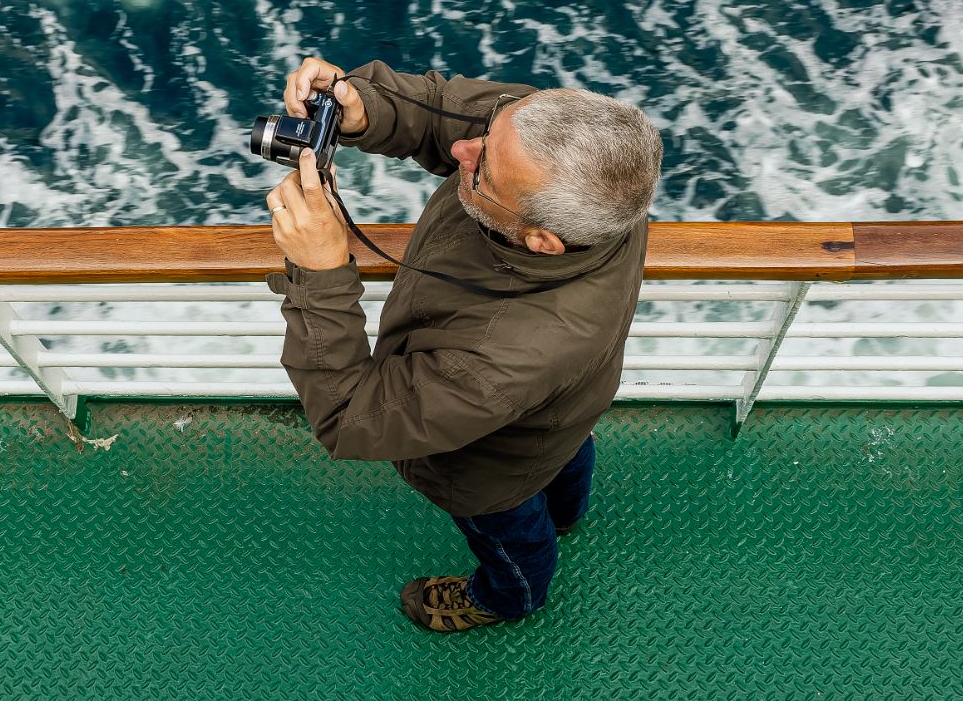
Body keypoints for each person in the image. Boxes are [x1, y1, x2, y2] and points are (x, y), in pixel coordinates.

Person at [262, 57, 663, 633]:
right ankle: (569, 517)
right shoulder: (574, 158)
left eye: (482, 174)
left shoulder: (504, 357)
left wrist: (321, 269)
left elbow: (355, 420)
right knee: (565, 455)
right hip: (566, 410)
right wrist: (363, 109)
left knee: (513, 539)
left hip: (488, 468)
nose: (462, 154)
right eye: (486, 138)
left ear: (541, 240)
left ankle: (508, 600)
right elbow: (452, 116)